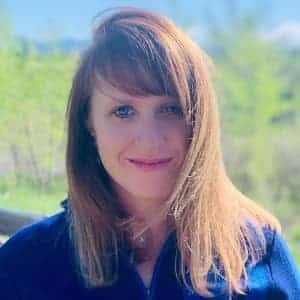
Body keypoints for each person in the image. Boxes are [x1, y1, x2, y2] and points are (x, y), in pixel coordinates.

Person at [0, 6, 299, 300]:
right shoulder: (25, 264)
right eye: (123, 111)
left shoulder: (261, 254)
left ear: (198, 121)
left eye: (171, 109)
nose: (150, 140)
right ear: (89, 123)